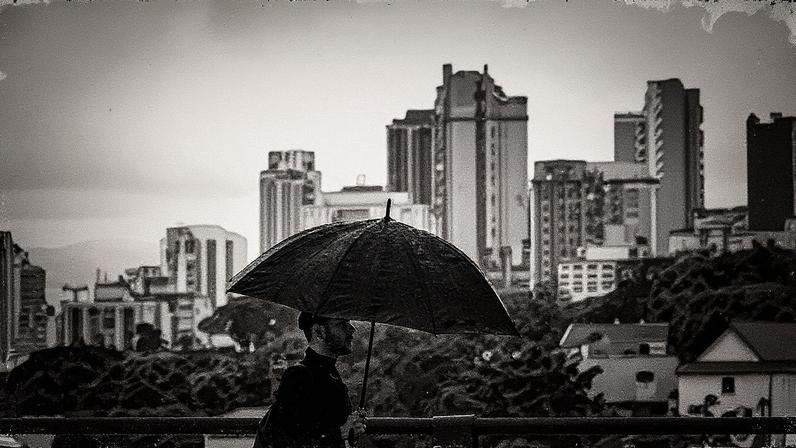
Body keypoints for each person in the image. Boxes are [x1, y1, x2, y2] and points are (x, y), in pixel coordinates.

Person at [253, 312, 367, 448]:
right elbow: (286, 438)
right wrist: (341, 433)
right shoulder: (300, 376)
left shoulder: (328, 372)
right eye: (341, 324)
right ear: (318, 331)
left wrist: (349, 432)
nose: (351, 329)